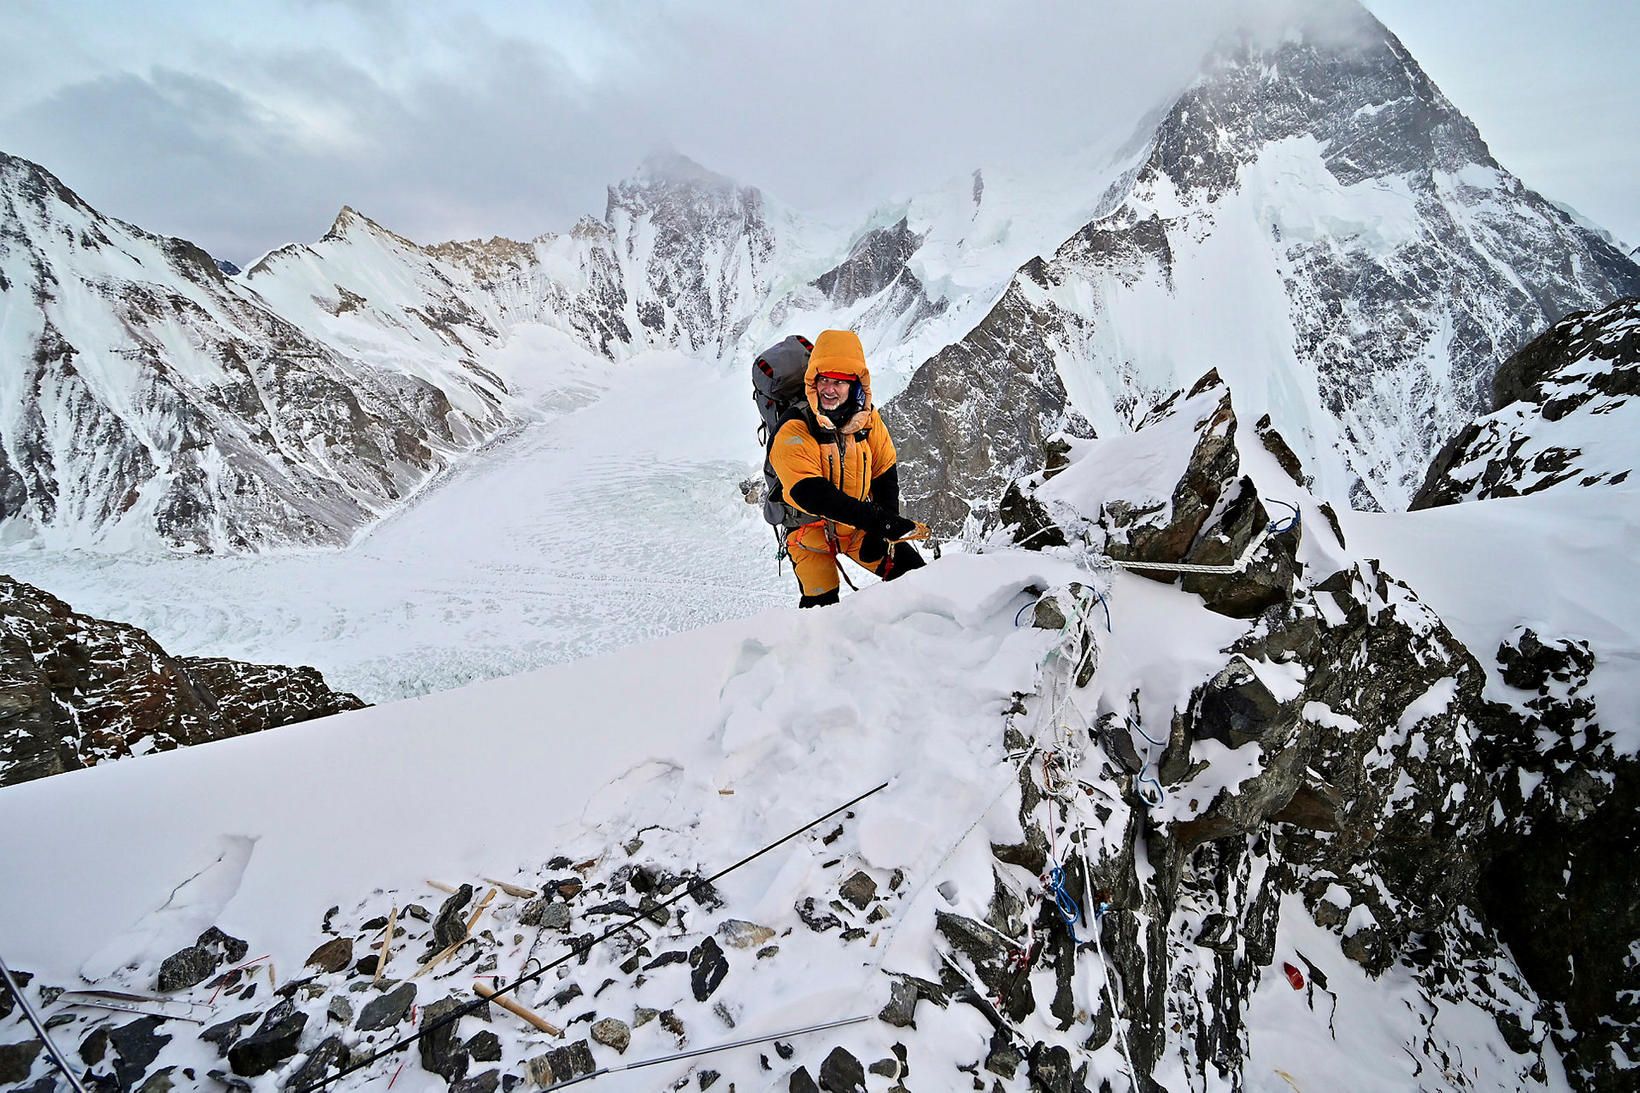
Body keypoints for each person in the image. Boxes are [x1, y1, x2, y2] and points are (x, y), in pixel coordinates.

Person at [769, 329, 926, 607]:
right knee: (821, 609)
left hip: (855, 525)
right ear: (812, 381)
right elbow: (810, 492)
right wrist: (876, 521)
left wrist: (883, 525)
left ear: (856, 385)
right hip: (808, 531)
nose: (829, 389)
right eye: (824, 380)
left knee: (918, 577)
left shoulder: (867, 421)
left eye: (839, 382)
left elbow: (884, 472)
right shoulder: (795, 425)